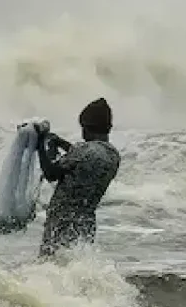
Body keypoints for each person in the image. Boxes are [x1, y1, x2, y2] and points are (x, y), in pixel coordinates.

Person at [35, 97, 121, 258]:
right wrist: (61, 142)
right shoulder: (113, 155)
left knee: (50, 263)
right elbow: (84, 157)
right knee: (76, 265)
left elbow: (51, 173)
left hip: (61, 221)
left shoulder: (83, 151)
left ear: (86, 128)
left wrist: (40, 144)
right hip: (86, 222)